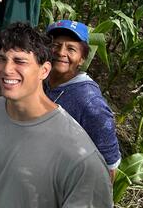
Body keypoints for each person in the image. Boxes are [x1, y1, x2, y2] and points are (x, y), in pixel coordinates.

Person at [0, 22, 113, 208]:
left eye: (20, 61)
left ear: (44, 70)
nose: (6, 69)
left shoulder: (82, 159)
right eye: (1, 59)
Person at [45, 19, 121, 181]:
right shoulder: (43, 79)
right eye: (56, 45)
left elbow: (109, 165)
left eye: (71, 48)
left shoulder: (90, 102)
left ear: (82, 59)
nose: (61, 52)